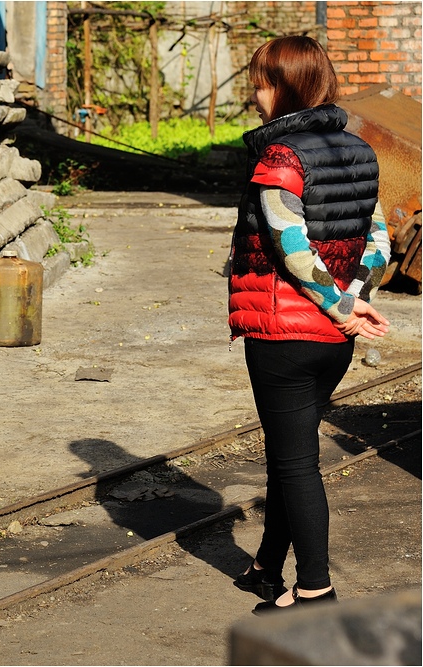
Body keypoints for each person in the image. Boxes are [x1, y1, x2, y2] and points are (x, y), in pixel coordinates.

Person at [227, 36, 391, 614]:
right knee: (287, 451)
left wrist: (338, 304)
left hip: (284, 332)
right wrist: (355, 299)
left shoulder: (279, 158)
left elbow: (290, 247)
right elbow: (378, 241)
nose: (255, 93)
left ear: (285, 86)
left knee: (296, 462)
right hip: (333, 340)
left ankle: (316, 587)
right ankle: (267, 567)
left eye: (261, 81)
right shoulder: (358, 150)